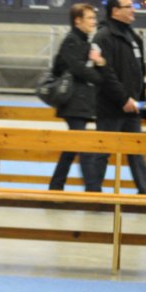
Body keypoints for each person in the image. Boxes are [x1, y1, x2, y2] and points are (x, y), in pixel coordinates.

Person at [49, 4, 107, 191]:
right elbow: (79, 69)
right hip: (72, 103)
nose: (94, 21)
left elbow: (89, 67)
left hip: (81, 103)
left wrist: (100, 63)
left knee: (72, 147)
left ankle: (55, 187)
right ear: (78, 21)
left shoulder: (84, 41)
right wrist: (100, 77)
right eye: (89, 18)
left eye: (94, 18)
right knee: (83, 146)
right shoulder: (71, 41)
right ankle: (94, 191)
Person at [91, 0, 146, 194]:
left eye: (133, 6)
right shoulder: (103, 37)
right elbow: (106, 74)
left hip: (133, 108)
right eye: (128, 6)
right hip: (111, 108)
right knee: (102, 152)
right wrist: (124, 99)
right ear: (115, 10)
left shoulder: (133, 37)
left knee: (136, 151)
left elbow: (140, 71)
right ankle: (94, 194)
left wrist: (139, 99)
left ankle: (144, 193)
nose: (133, 10)